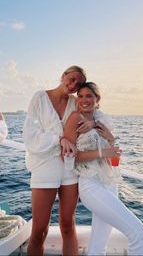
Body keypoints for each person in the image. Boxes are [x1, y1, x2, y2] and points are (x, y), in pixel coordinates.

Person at [64, 82, 143, 256]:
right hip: (91, 184)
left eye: (89, 96)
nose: (84, 100)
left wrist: (111, 140)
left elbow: (114, 159)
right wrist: (103, 151)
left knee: (98, 245)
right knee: (139, 234)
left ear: (97, 99)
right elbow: (70, 156)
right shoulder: (75, 118)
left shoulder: (102, 120)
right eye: (80, 96)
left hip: (110, 182)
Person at [23, 65, 94, 256]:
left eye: (77, 84)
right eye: (70, 79)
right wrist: (59, 139)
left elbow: (93, 112)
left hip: (70, 168)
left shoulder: (75, 102)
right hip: (44, 167)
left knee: (68, 225)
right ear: (63, 76)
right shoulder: (40, 98)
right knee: (39, 230)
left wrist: (93, 123)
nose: (72, 85)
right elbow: (30, 135)